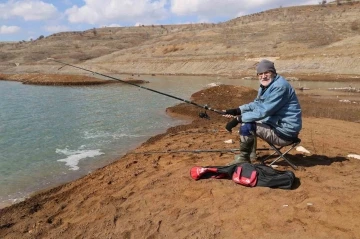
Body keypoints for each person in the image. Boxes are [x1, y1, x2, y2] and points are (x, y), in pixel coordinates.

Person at [223, 59, 302, 165]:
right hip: (277, 125)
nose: (263, 76)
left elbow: (263, 111)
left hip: (285, 132)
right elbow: (257, 104)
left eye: (266, 73)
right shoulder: (267, 86)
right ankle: (251, 155)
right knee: (250, 119)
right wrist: (237, 110)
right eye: (260, 74)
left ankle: (244, 158)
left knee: (247, 124)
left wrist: (238, 119)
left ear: (273, 73)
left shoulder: (280, 87)